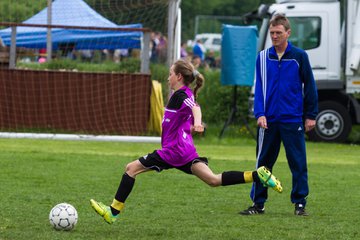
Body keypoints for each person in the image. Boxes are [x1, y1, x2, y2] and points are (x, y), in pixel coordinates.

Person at [90, 59, 283, 224]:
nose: (168, 77)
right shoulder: (181, 96)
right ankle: (258, 175)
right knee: (213, 180)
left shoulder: (182, 95)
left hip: (173, 152)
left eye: (170, 74)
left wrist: (198, 123)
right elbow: (184, 124)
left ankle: (112, 212)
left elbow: (195, 108)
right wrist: (192, 127)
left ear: (179, 77)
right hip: (185, 152)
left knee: (131, 169)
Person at [240, 14, 318, 217]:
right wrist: (260, 113)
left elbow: (310, 86)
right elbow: (259, 89)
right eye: (272, 33)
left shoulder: (299, 56)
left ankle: (300, 204)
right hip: (268, 121)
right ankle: (258, 204)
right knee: (262, 164)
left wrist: (311, 114)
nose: (274, 36)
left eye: (278, 33)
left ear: (288, 33)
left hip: (293, 119)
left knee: (298, 163)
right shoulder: (263, 57)